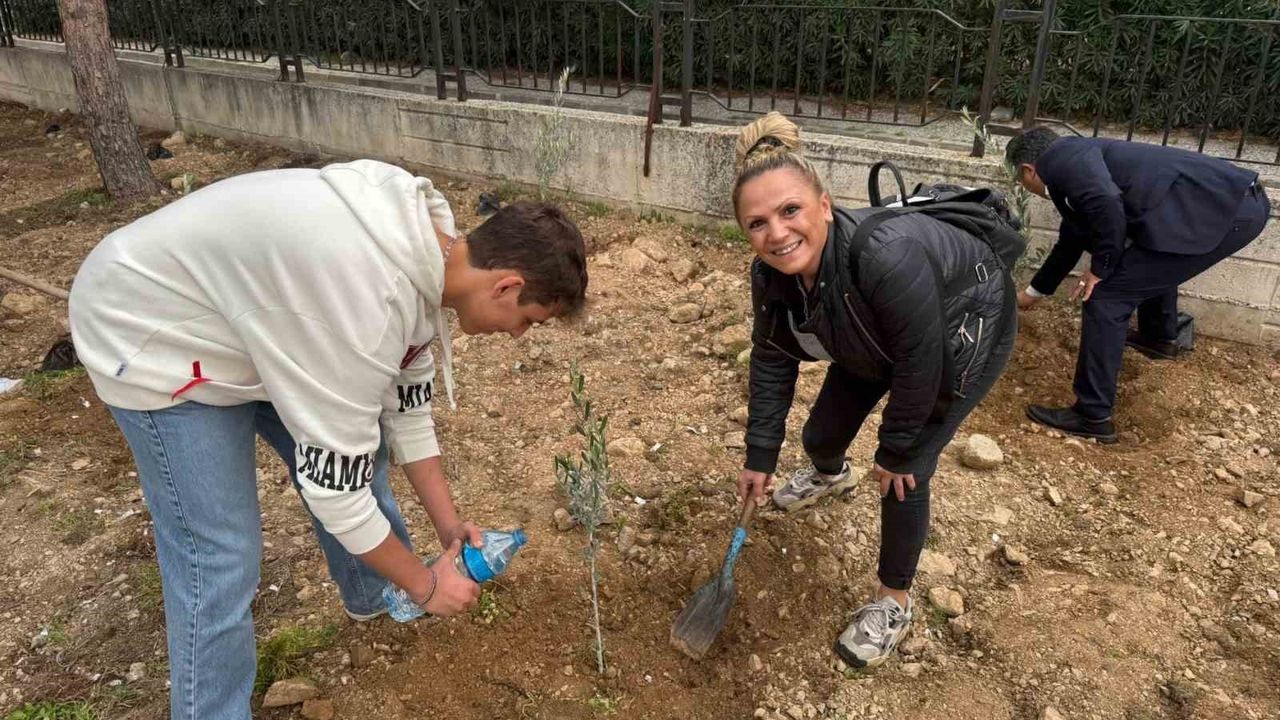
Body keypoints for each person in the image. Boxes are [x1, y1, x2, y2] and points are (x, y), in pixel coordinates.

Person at [68, 159, 587, 720]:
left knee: (358, 456)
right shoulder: (361, 303)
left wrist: (447, 524)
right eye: (528, 320)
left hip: (258, 321)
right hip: (152, 332)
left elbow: (406, 410)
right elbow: (334, 490)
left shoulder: (426, 253)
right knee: (217, 552)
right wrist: (425, 584)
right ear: (507, 284)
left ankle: (374, 595)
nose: (517, 334)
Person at [732, 113, 1018, 668]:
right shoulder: (771, 276)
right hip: (872, 330)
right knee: (821, 437)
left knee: (904, 477)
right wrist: (760, 455)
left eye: (790, 210)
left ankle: (893, 599)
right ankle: (830, 475)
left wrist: (900, 445)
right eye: (757, 223)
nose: (777, 233)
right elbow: (771, 358)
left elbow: (923, 359)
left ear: (823, 205)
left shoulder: (884, 254)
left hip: (964, 329)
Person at [1008, 128, 1271, 442]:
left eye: (1020, 181)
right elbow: (1072, 238)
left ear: (1028, 170)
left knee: (1105, 297)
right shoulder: (1075, 159)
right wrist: (1031, 294)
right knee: (1153, 254)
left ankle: (1092, 415)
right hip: (1231, 204)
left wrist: (1099, 269)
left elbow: (1107, 202)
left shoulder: (1061, 162)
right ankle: (1158, 338)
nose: (1025, 187)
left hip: (1225, 211)